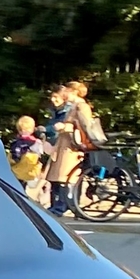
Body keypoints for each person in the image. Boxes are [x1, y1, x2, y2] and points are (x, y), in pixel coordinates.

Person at [46, 80, 104, 216]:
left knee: (65, 177)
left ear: (73, 91)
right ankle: (58, 205)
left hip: (72, 146)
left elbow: (85, 127)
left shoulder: (81, 106)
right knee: (59, 177)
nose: (65, 93)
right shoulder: (74, 106)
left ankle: (63, 206)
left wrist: (65, 127)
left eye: (67, 90)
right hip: (65, 144)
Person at [6, 115, 52, 205]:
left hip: (18, 170)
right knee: (27, 185)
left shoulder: (18, 143)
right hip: (31, 171)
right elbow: (40, 155)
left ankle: (17, 201)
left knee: (16, 186)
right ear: (32, 129)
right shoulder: (37, 143)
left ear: (19, 129)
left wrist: (11, 161)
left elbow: (16, 156)